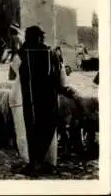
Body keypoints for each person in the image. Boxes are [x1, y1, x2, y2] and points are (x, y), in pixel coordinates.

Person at [9, 25, 84, 177]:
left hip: (28, 99)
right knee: (48, 129)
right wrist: (64, 89)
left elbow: (12, 74)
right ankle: (48, 163)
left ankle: (32, 164)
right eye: (41, 36)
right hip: (49, 99)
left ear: (28, 37)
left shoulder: (22, 54)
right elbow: (61, 79)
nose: (42, 38)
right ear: (39, 37)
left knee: (30, 130)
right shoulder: (52, 54)